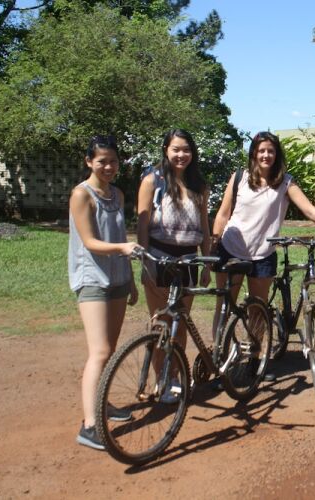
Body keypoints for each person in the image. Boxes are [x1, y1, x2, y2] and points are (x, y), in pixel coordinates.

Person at [210, 131, 315, 380]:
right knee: (225, 307)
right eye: (261, 150)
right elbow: (223, 214)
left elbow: (309, 210)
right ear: (254, 153)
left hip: (263, 253)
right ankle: (220, 361)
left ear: (277, 155)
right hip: (231, 249)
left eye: (271, 151)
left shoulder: (285, 182)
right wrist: (214, 242)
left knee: (258, 309)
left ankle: (255, 361)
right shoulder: (239, 178)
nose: (266, 155)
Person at [68, 135, 142, 450]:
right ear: (89, 162)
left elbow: (119, 233)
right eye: (102, 161)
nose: (109, 167)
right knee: (99, 351)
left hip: (118, 278)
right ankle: (89, 426)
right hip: (93, 279)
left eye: (113, 161)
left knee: (109, 350)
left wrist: (131, 280)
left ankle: (101, 403)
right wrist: (123, 248)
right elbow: (89, 241)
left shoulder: (117, 194)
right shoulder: (81, 195)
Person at [137, 129, 211, 401]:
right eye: (176, 149)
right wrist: (145, 261)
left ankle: (175, 377)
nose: (181, 155)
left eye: (186, 150)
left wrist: (206, 262)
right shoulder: (152, 180)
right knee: (161, 323)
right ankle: (161, 379)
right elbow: (142, 223)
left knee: (180, 323)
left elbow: (204, 225)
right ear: (166, 150)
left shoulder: (199, 185)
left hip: (189, 259)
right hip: (160, 257)